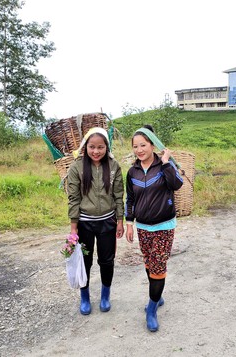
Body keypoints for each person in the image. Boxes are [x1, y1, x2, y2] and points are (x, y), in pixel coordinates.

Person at [125, 125, 183, 332]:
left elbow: (177, 184)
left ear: (152, 145)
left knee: (158, 266)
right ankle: (157, 297)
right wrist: (129, 222)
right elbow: (130, 199)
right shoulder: (133, 171)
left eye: (143, 145)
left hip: (164, 225)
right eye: (135, 146)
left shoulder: (164, 166)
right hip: (143, 226)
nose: (139, 149)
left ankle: (151, 309)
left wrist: (167, 163)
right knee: (149, 263)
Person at [67, 127, 124, 315]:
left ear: (106, 147)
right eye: (92, 147)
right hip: (85, 223)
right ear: (85, 147)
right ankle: (84, 297)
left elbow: (118, 195)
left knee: (107, 261)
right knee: (85, 260)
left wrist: (120, 221)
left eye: (101, 147)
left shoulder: (114, 166)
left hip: (107, 221)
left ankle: (105, 296)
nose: (96, 151)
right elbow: (74, 199)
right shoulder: (76, 167)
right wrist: (73, 228)